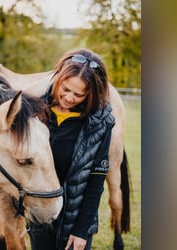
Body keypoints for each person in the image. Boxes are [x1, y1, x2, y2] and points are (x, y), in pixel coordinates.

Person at [28, 48, 115, 250]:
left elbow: (96, 181)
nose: (69, 98)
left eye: (78, 94)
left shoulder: (100, 124)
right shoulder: (34, 110)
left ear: (90, 94)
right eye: (65, 89)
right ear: (57, 79)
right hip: (41, 216)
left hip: (76, 220)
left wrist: (81, 231)